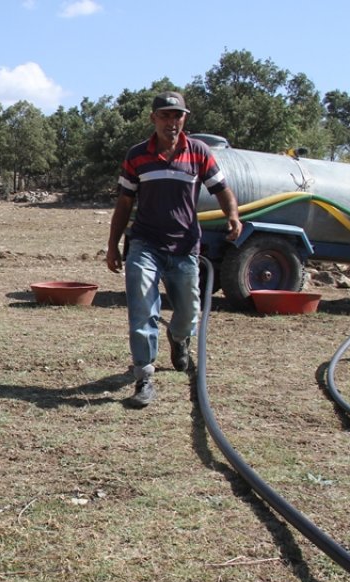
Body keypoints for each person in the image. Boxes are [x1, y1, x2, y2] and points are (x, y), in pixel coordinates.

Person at [105, 91, 242, 408]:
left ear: (185, 118)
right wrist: (113, 245)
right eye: (165, 115)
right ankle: (145, 376)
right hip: (145, 244)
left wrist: (232, 216)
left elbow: (222, 190)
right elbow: (124, 202)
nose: (171, 121)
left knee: (187, 312)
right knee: (143, 309)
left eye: (177, 115)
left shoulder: (198, 153)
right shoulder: (137, 155)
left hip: (184, 246)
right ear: (153, 118)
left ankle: (179, 339)